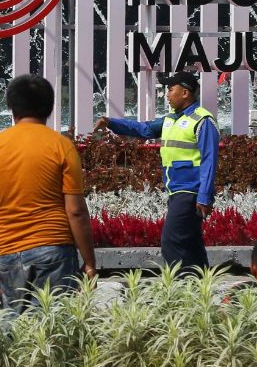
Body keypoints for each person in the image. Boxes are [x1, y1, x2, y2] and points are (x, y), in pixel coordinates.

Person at [0, 74, 97, 314]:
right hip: (55, 249)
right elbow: (76, 211)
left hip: (9, 250)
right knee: (53, 329)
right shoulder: (61, 146)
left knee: (17, 328)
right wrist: (89, 262)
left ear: (11, 107)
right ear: (49, 108)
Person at [94, 72, 219, 273]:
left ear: (185, 93)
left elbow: (209, 160)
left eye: (170, 90)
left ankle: (179, 286)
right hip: (176, 190)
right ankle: (200, 289)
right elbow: (143, 129)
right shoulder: (170, 120)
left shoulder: (203, 121)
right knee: (191, 243)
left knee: (171, 241)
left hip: (190, 192)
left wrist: (204, 196)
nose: (167, 94)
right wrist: (111, 122)